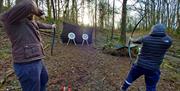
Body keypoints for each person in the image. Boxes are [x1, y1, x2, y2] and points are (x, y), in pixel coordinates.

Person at [0, 0, 56, 91]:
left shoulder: (28, 21)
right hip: (27, 63)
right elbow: (29, 5)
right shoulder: (9, 18)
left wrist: (51, 26)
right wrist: (40, 13)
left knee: (43, 80)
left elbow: (40, 24)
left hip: (37, 59)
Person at [120, 24, 172, 91]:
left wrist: (131, 39)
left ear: (153, 30)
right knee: (151, 86)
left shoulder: (146, 38)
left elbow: (135, 41)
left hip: (140, 65)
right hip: (153, 68)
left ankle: (123, 89)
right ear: (164, 31)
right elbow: (167, 41)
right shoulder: (168, 41)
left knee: (131, 77)